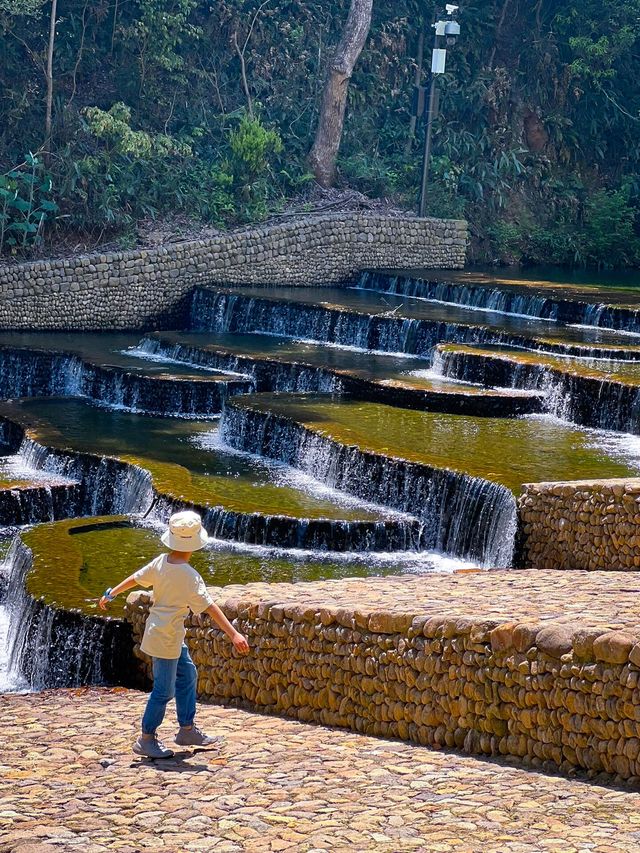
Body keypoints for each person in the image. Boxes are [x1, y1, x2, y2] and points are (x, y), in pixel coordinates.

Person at [99, 509, 250, 759]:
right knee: (163, 691)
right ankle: (146, 738)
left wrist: (111, 593)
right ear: (194, 544)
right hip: (166, 637)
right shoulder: (190, 576)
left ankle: (187, 729)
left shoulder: (161, 562)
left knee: (188, 673)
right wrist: (234, 634)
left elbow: (136, 579)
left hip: (164, 633)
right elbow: (210, 607)